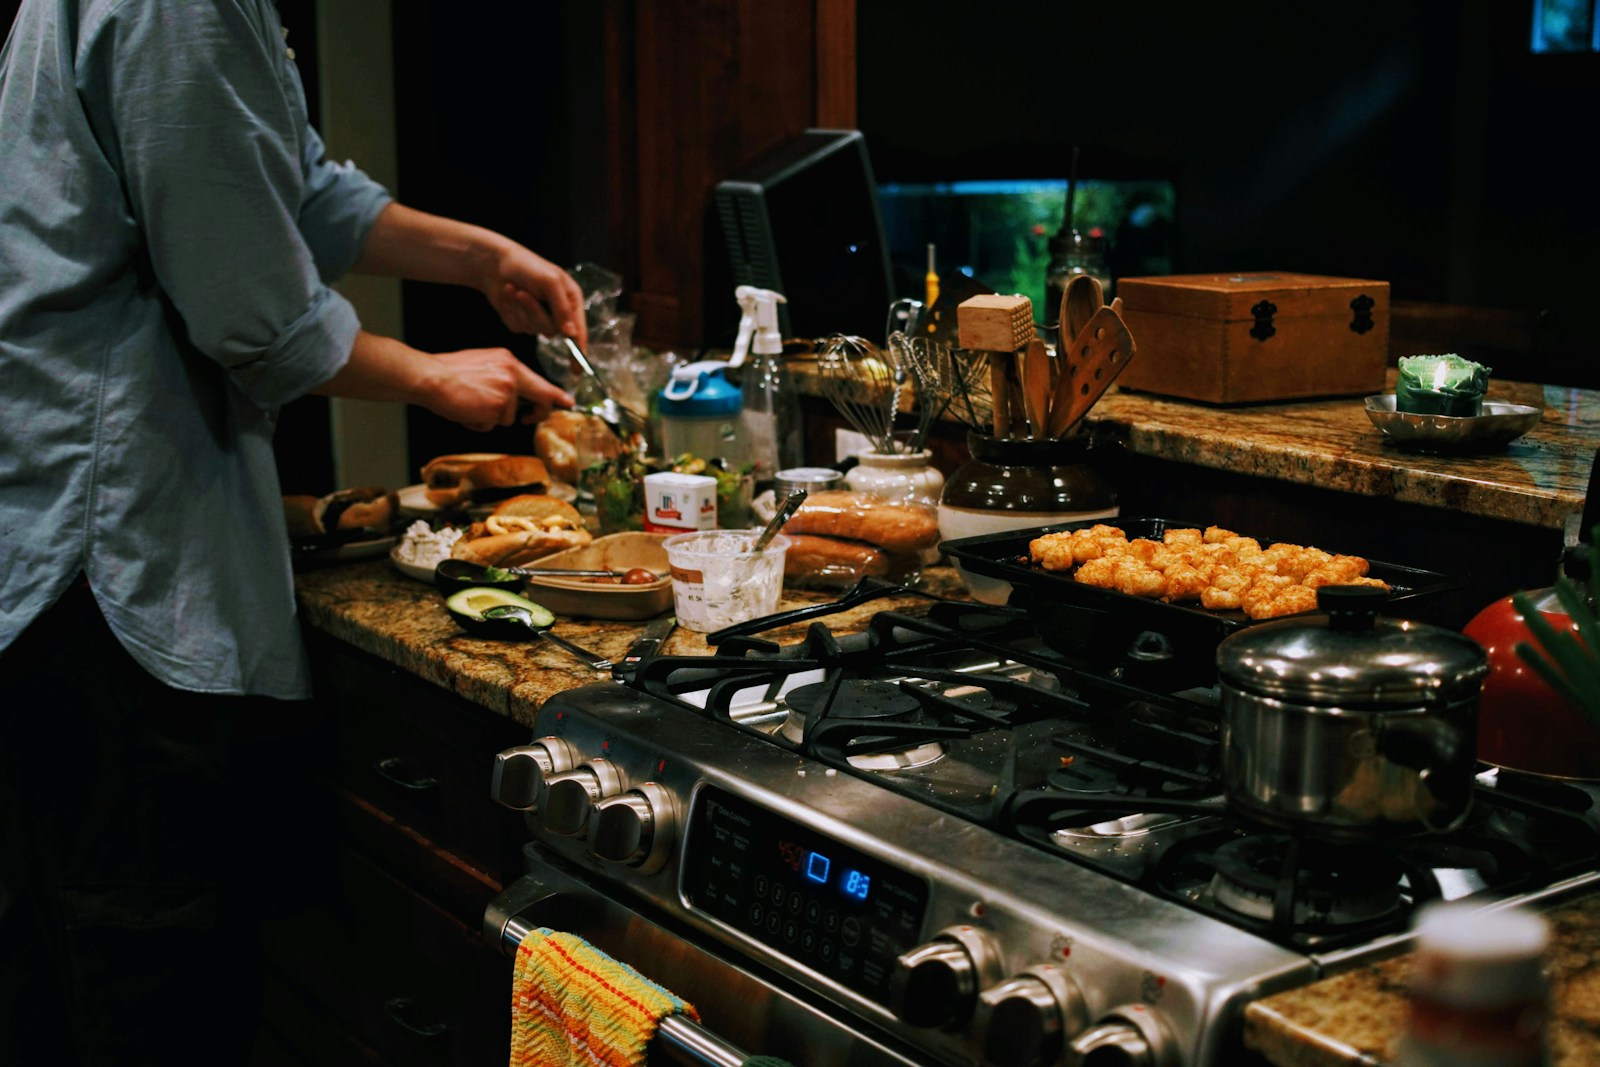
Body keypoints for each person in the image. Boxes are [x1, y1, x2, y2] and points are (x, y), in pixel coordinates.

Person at [0, 1, 585, 1061]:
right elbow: (250, 310)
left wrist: (478, 257)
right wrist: (433, 375)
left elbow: (290, 180)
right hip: (106, 562)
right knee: (140, 988)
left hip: (79, 547)